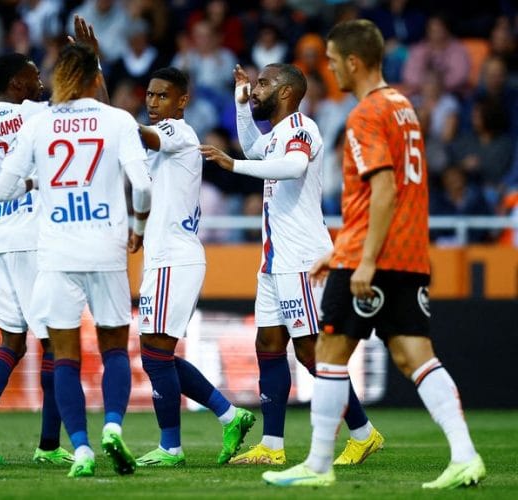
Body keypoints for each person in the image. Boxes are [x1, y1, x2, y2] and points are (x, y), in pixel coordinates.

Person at [261, 19, 486, 489]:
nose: (329, 69)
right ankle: (465, 455)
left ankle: (318, 465)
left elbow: (383, 189)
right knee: (414, 355)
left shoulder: (366, 114)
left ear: (353, 61)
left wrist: (361, 257)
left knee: (326, 351)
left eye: (332, 60)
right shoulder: (403, 107)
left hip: (371, 255)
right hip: (408, 253)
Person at [199, 62, 383, 466]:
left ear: (285, 92)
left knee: (310, 352)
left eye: (264, 83)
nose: (257, 88)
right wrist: (241, 103)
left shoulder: (302, 128)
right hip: (274, 259)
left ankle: (363, 433)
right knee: (268, 344)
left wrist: (233, 165)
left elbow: (294, 166)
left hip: (300, 258)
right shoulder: (277, 134)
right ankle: (272, 446)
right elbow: (253, 148)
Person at [0, 42, 152, 478]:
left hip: (57, 252)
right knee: (114, 348)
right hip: (106, 249)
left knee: (65, 356)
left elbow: (0, 192)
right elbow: (142, 185)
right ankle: (113, 427)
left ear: (58, 79)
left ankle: (80, 448)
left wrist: (33, 183)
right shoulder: (118, 120)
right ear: (95, 79)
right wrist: (138, 228)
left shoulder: (38, 124)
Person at [132, 67, 255, 468]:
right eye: (150, 95)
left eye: (162, 96)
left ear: (182, 101)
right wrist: (96, 71)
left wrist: (100, 115)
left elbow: (140, 134)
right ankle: (230, 415)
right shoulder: (159, 139)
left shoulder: (178, 132)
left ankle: (171, 447)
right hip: (164, 258)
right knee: (157, 354)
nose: (153, 103)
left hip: (175, 258)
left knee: (155, 355)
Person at [0, 52, 73, 467]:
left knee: (12, 341)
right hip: (33, 240)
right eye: (35, 75)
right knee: (55, 342)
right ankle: (48, 445)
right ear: (18, 83)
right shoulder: (37, 115)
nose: (41, 81)